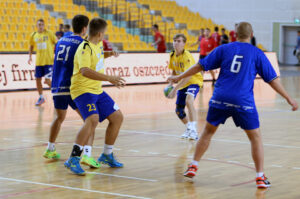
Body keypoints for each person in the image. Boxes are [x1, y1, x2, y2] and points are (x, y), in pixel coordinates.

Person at [167, 22, 298, 188]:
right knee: (255, 137)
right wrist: (288, 98)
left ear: (235, 34)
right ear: (251, 35)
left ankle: (193, 165)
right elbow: (272, 80)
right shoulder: (257, 53)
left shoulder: (224, 48)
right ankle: (259, 176)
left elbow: (200, 66)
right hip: (242, 101)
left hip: (220, 98)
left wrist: (178, 77)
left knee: (207, 132)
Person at [64, 17, 126, 175]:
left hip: (96, 90)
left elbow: (98, 56)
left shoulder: (97, 45)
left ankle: (107, 154)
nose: (104, 36)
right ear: (99, 34)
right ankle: (73, 158)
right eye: (104, 34)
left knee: (117, 117)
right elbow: (85, 70)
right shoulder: (84, 48)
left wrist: (109, 54)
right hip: (82, 90)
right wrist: (110, 78)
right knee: (92, 120)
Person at [43, 15, 102, 168]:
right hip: (72, 86)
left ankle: (50, 149)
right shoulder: (83, 44)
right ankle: (87, 155)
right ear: (84, 28)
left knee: (58, 118)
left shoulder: (61, 40)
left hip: (57, 86)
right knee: (90, 120)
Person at [167, 33, 203, 140]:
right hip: (183, 83)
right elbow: (174, 70)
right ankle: (189, 128)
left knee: (189, 100)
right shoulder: (172, 55)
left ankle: (194, 130)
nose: (176, 43)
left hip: (193, 80)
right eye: (174, 40)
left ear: (184, 44)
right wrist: (170, 85)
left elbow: (188, 76)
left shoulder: (187, 56)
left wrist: (174, 89)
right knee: (179, 111)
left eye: (179, 41)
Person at [28, 19, 56, 106]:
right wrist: (30, 56)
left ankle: (56, 94)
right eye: (39, 25)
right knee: (37, 80)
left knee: (47, 81)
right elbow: (31, 45)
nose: (41, 26)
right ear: (37, 26)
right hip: (39, 62)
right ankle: (41, 97)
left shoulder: (49, 33)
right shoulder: (33, 35)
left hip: (48, 61)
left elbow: (57, 43)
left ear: (44, 25)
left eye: (42, 24)